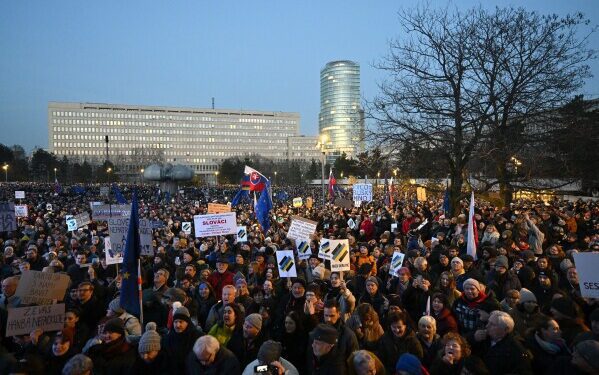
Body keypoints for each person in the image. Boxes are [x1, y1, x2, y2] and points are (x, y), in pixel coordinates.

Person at [471, 310, 533, 375]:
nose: (487, 326)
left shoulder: (516, 350)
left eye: (492, 324)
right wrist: (473, 338)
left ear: (506, 329)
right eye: (488, 322)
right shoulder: (482, 336)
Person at [161, 306, 202, 374]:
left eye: (181, 321)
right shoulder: (167, 339)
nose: (177, 325)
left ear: (187, 322)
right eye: (175, 322)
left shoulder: (198, 337)